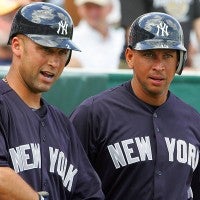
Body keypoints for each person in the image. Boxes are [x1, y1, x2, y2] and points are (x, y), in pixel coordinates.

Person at [70, 12, 200, 199]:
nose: (159, 66)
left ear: (178, 61)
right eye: (149, 55)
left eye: (168, 56)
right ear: (130, 57)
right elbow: (69, 186)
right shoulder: (94, 114)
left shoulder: (193, 121)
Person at [0, 2, 105, 200]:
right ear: (17, 46)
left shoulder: (62, 124)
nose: (54, 62)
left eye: (61, 52)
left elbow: (90, 194)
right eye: (45, 49)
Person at [68, 0, 125, 71]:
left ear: (110, 8)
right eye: (88, 7)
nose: (93, 12)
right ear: (80, 9)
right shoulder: (69, 39)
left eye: (98, 7)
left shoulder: (122, 37)